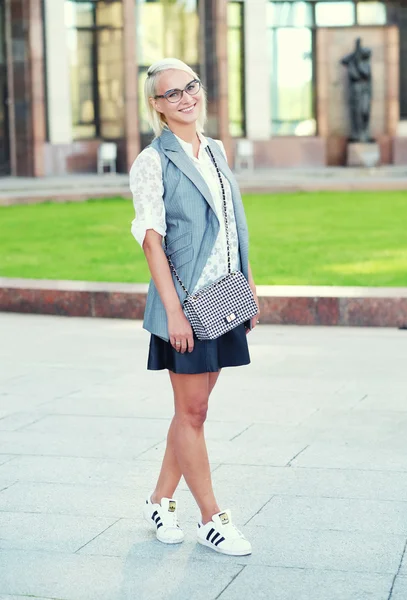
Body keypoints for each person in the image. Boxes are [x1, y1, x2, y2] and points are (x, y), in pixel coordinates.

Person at [129, 58, 260, 556]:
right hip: (183, 306)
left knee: (194, 412)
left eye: (191, 87)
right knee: (194, 409)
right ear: (157, 106)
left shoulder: (217, 150)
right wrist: (174, 313)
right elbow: (151, 242)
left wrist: (247, 285)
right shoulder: (153, 161)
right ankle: (212, 517)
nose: (185, 98)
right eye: (171, 93)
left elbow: (232, 224)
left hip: (222, 298)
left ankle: (160, 499)